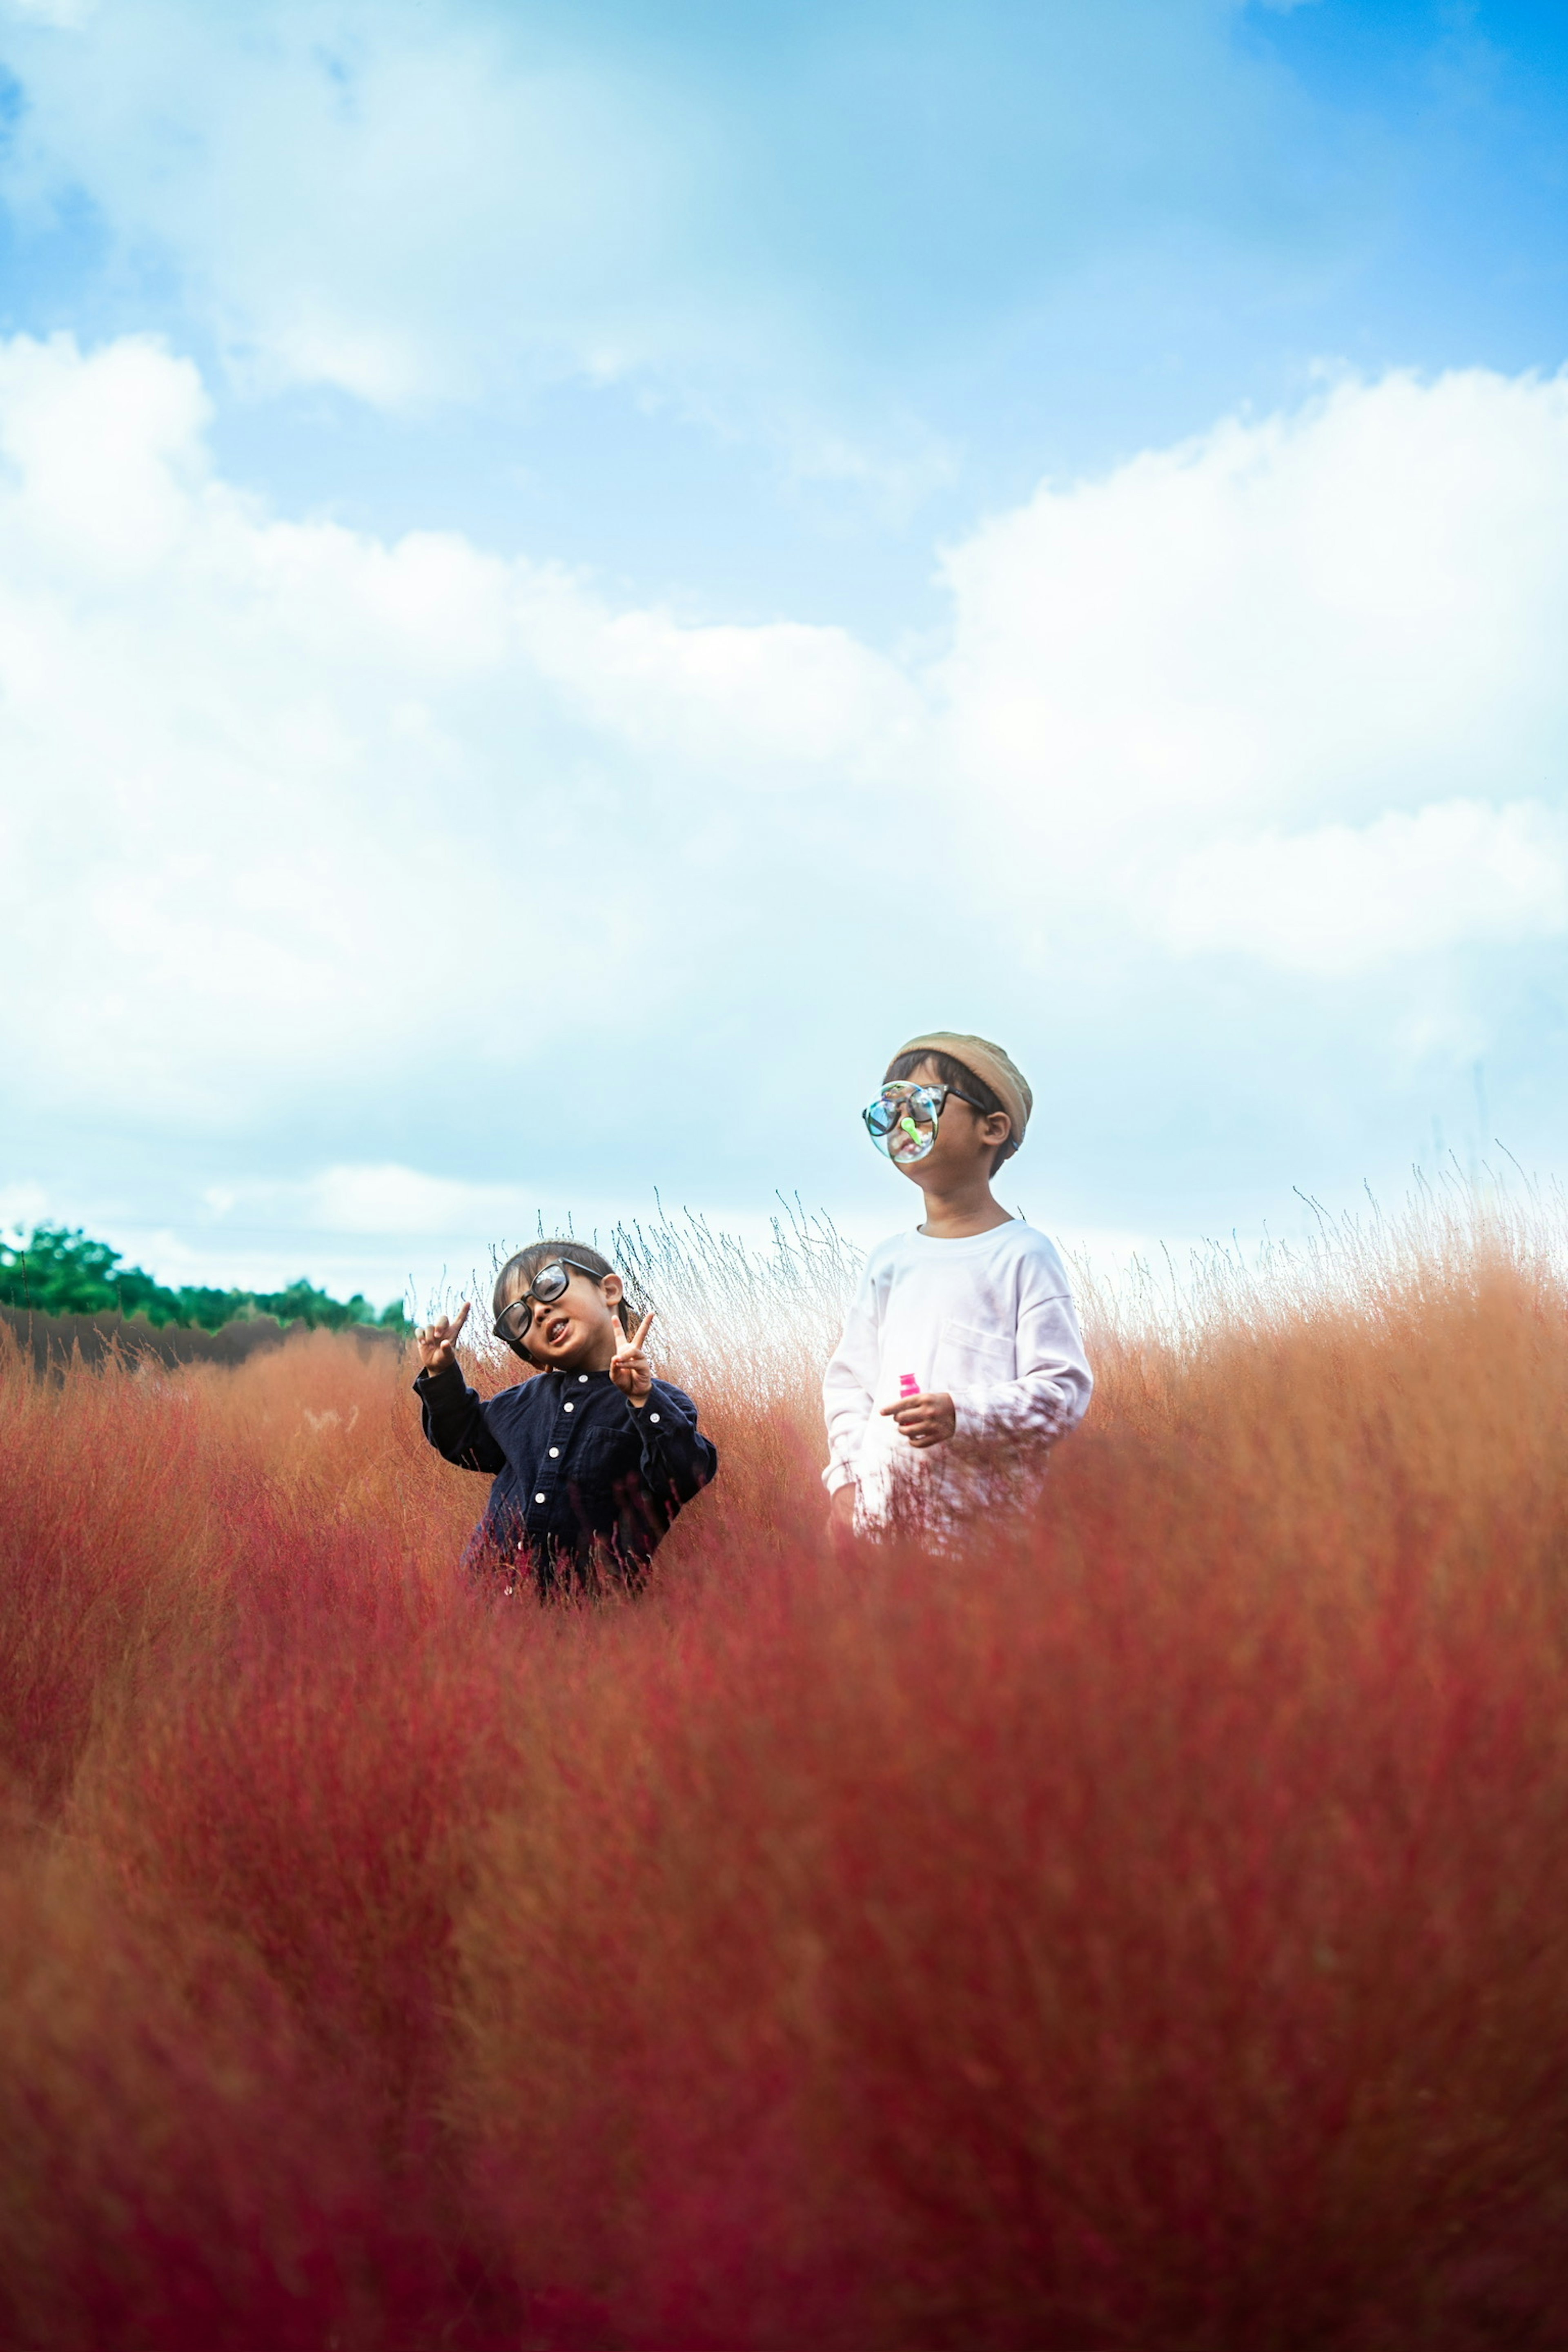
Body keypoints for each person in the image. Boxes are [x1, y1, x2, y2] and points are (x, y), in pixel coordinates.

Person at [823, 1031, 1092, 1536]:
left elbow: (1062, 1392)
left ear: (992, 1128)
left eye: (923, 1105)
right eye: (892, 1107)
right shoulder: (890, 1262)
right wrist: (845, 1484)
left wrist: (963, 1414)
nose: (905, 1122)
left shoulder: (1022, 1255)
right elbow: (848, 1384)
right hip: (877, 1532)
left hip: (978, 1541)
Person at [414, 1239, 717, 1595]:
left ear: (609, 1291)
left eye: (549, 1286)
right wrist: (442, 1375)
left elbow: (684, 1476)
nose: (539, 1311)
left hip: (590, 1612)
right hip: (490, 1600)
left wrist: (643, 1399)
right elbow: (463, 1441)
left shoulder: (660, 1403)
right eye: (520, 1318)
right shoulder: (519, 1404)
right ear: (533, 1357)